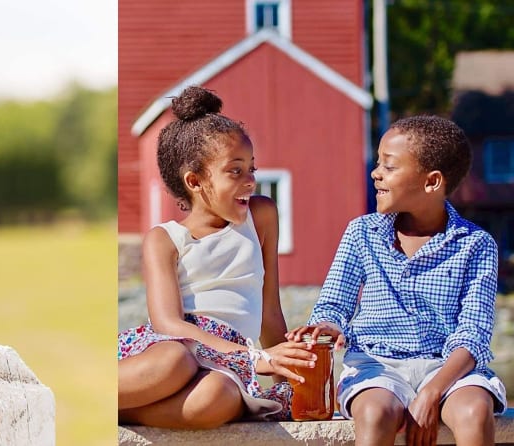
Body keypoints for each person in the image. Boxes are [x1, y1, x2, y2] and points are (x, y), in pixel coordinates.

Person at [287, 115, 507, 446]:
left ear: (432, 182)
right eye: (378, 163)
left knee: (475, 412)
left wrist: (432, 392)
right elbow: (334, 304)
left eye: (389, 167)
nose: (376, 173)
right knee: (376, 414)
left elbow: (473, 335)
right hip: (377, 366)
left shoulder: (476, 245)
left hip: (448, 368)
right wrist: (329, 327)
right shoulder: (361, 233)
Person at [118, 86, 316, 429]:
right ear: (195, 181)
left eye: (252, 169)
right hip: (179, 345)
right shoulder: (164, 239)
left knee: (221, 396)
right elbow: (168, 324)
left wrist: (288, 380)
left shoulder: (262, 216)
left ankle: (123, 412)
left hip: (228, 362)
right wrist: (256, 358)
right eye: (235, 171)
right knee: (174, 361)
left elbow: (270, 311)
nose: (250, 181)